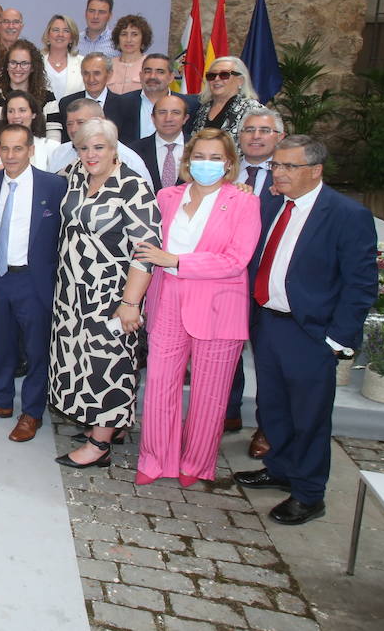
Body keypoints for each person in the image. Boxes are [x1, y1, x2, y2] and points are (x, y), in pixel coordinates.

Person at [234, 135, 377, 526]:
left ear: (315, 171)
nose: (277, 173)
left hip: (311, 333)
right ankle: (280, 467)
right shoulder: (272, 205)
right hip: (269, 323)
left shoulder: (346, 215)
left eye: (288, 167)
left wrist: (336, 339)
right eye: (276, 165)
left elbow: (360, 284)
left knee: (309, 416)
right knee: (274, 405)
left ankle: (309, 493)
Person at [133, 128, 261, 486]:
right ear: (187, 161)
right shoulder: (166, 197)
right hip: (168, 300)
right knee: (160, 385)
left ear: (230, 163)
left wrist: (176, 260)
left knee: (211, 393)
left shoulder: (244, 202)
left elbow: (235, 260)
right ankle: (156, 458)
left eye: (216, 157)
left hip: (219, 307)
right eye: (200, 157)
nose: (207, 164)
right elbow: (147, 245)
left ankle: (197, 464)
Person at [50, 118, 160, 469]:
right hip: (70, 292)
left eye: (98, 147)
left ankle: (100, 445)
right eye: (84, 147)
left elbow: (146, 249)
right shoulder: (74, 175)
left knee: (109, 364)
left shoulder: (133, 186)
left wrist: (131, 303)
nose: (90, 154)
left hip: (111, 294)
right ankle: (99, 426)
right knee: (79, 360)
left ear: (114, 148)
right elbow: (42, 185)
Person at [0, 124, 67, 441]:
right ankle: (1, 400)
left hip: (35, 282)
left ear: (31, 150)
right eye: (5, 149)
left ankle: (32, 412)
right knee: (2, 345)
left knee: (37, 351)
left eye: (18, 149)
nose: (10, 156)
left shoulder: (53, 186)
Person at [227, 106, 287, 444]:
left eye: (264, 131)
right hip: (227, 280)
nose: (255, 136)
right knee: (227, 351)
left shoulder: (288, 176)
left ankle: (268, 427)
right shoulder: (225, 171)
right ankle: (229, 411)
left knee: (268, 359)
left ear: (278, 137)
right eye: (249, 130)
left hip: (268, 280)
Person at [0, 40, 64, 142]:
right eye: (13, 63)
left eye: (24, 63)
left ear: (33, 67)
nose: (18, 68)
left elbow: (54, 141)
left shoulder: (47, 97)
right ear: (6, 66)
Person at [48, 99, 150, 177]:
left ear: (100, 121)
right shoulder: (59, 153)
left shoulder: (129, 161)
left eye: (81, 122)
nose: (73, 129)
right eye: (69, 124)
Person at [187, 56, 266, 144]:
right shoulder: (202, 108)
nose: (216, 79)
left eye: (224, 75)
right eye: (211, 75)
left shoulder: (254, 110)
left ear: (240, 80)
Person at [58, 52, 134, 143]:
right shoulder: (66, 103)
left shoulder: (125, 105)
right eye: (86, 73)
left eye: (97, 73)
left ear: (109, 74)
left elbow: (128, 142)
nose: (91, 79)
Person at [129, 93, 192, 192]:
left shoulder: (197, 147)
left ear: (185, 118)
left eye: (175, 112)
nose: (168, 119)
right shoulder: (134, 151)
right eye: (162, 112)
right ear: (153, 118)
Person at [0, 91, 55, 172]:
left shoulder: (51, 147)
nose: (16, 116)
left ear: (33, 114)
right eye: (11, 111)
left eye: (22, 110)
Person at [107, 15, 152, 94]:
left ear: (143, 38)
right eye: (124, 34)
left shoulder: (150, 64)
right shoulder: (108, 64)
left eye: (134, 34)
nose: (128, 40)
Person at [42, 15, 83, 101]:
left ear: (71, 38)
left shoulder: (82, 63)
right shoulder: (37, 62)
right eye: (56, 30)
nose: (60, 35)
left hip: (75, 113)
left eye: (66, 31)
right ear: (48, 35)